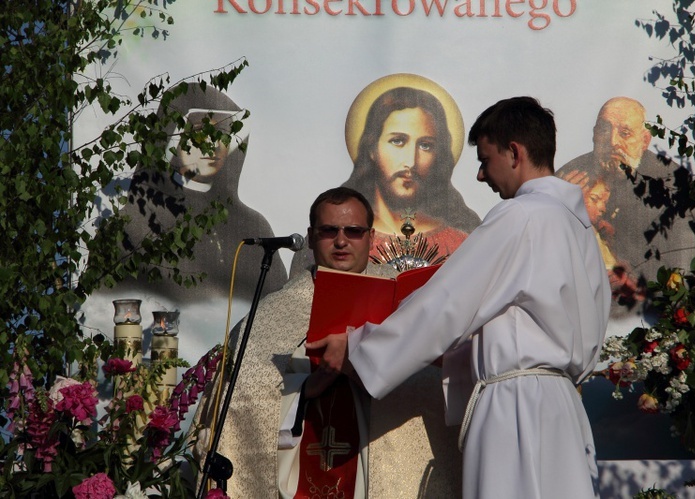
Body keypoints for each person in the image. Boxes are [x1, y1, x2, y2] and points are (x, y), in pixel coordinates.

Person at [308, 97, 611, 498]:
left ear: (515, 153)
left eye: (485, 160)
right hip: (562, 410)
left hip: (515, 410)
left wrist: (359, 349)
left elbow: (447, 304)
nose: (482, 176)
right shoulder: (579, 229)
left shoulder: (522, 217)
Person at [191, 187, 461, 498]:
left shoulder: (409, 304)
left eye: (354, 231)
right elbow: (244, 396)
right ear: (311, 235)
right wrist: (304, 390)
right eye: (329, 230)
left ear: (371, 236)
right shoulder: (275, 312)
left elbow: (433, 388)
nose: (341, 241)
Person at [118, 82, 287, 304]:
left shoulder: (253, 226)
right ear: (171, 138)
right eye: (200, 133)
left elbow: (280, 307)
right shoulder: (134, 222)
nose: (214, 145)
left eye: (223, 135)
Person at [289, 82, 481, 276]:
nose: (410, 162)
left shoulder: (462, 244)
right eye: (397, 141)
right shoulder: (327, 239)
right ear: (372, 148)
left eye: (425, 145)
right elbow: (302, 296)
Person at [557, 96, 695, 318]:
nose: (613, 142)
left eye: (625, 133)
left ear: (645, 141)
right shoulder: (570, 176)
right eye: (605, 131)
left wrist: (639, 280)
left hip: (646, 318)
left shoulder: (673, 182)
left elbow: (689, 267)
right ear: (594, 134)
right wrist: (557, 207)